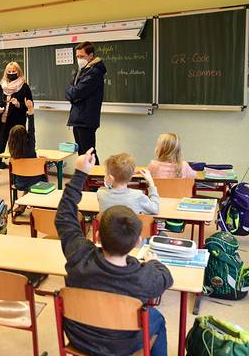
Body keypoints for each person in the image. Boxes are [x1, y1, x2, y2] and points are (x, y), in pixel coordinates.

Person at [56, 148, 172, 356]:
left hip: (79, 338)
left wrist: (81, 172)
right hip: (122, 346)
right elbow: (166, 278)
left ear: (98, 234)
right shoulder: (144, 276)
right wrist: (154, 262)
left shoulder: (79, 255)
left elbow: (64, 215)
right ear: (137, 241)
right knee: (157, 318)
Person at [65, 41, 106, 164]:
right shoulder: (82, 70)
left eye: (81, 56)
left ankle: (95, 180)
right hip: (78, 118)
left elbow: (76, 92)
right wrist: (73, 93)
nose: (79, 59)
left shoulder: (94, 72)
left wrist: (73, 93)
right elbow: (70, 91)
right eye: (77, 56)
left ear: (91, 56)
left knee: (89, 154)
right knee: (82, 154)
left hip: (86, 119)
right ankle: (85, 180)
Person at [0, 62, 33, 169]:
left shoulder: (24, 87)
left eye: (14, 71)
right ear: (6, 72)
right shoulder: (2, 85)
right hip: (1, 122)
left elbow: (30, 105)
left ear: (19, 72)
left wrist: (18, 104)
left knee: (17, 149)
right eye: (9, 72)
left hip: (16, 123)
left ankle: (18, 173)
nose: (11, 73)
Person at [7, 99, 46, 193]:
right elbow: (31, 129)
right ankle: (27, 200)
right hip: (36, 182)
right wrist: (30, 110)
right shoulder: (30, 146)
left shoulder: (12, 151)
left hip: (19, 184)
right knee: (41, 169)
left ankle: (23, 202)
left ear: (11, 139)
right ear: (26, 136)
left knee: (26, 176)